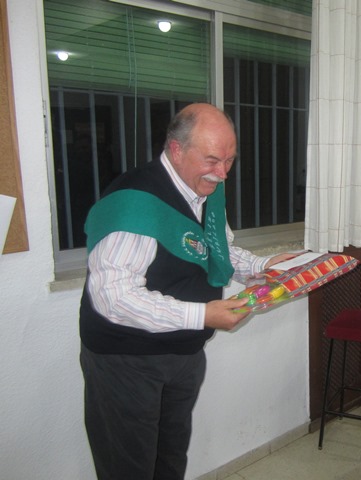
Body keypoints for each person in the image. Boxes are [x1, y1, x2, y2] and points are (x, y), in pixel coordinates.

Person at [79, 103, 298, 480]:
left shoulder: (204, 188)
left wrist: (262, 267)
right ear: (176, 149)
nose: (223, 173)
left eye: (230, 160)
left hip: (182, 353)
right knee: (128, 468)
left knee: (170, 459)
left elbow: (217, 247)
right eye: (213, 160)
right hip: (127, 360)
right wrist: (203, 315)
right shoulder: (134, 199)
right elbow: (113, 297)